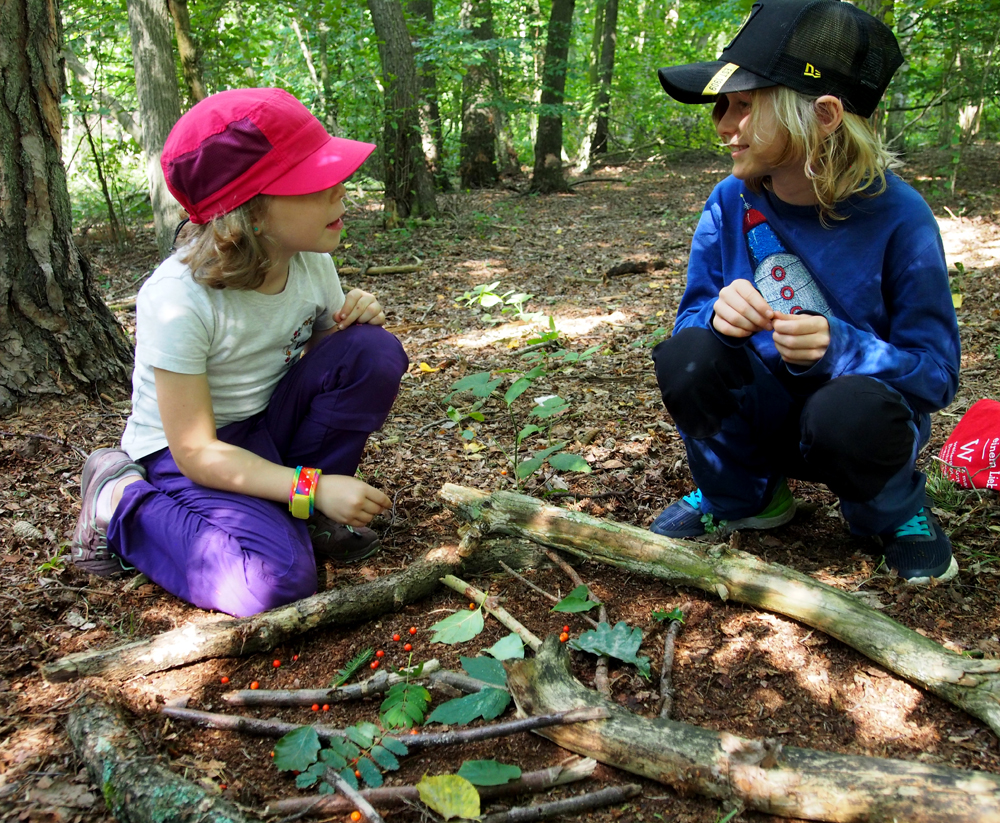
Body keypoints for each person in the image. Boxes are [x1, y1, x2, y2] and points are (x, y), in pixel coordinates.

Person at [649, 0, 961, 584]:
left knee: (850, 409)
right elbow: (689, 315)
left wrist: (844, 348)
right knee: (688, 356)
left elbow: (937, 375)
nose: (722, 126)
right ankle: (743, 495)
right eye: (722, 105)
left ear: (822, 114)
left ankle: (890, 513)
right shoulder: (729, 200)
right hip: (759, 407)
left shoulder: (901, 217)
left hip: (854, 423)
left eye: (744, 106)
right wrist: (713, 320)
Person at [70, 88, 409, 616]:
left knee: (371, 352)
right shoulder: (177, 299)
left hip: (265, 427)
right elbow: (197, 451)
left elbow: (315, 357)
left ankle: (305, 514)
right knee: (271, 582)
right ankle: (118, 499)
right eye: (315, 181)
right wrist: (314, 486)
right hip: (186, 456)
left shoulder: (307, 259)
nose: (340, 188)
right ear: (251, 214)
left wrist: (352, 322)